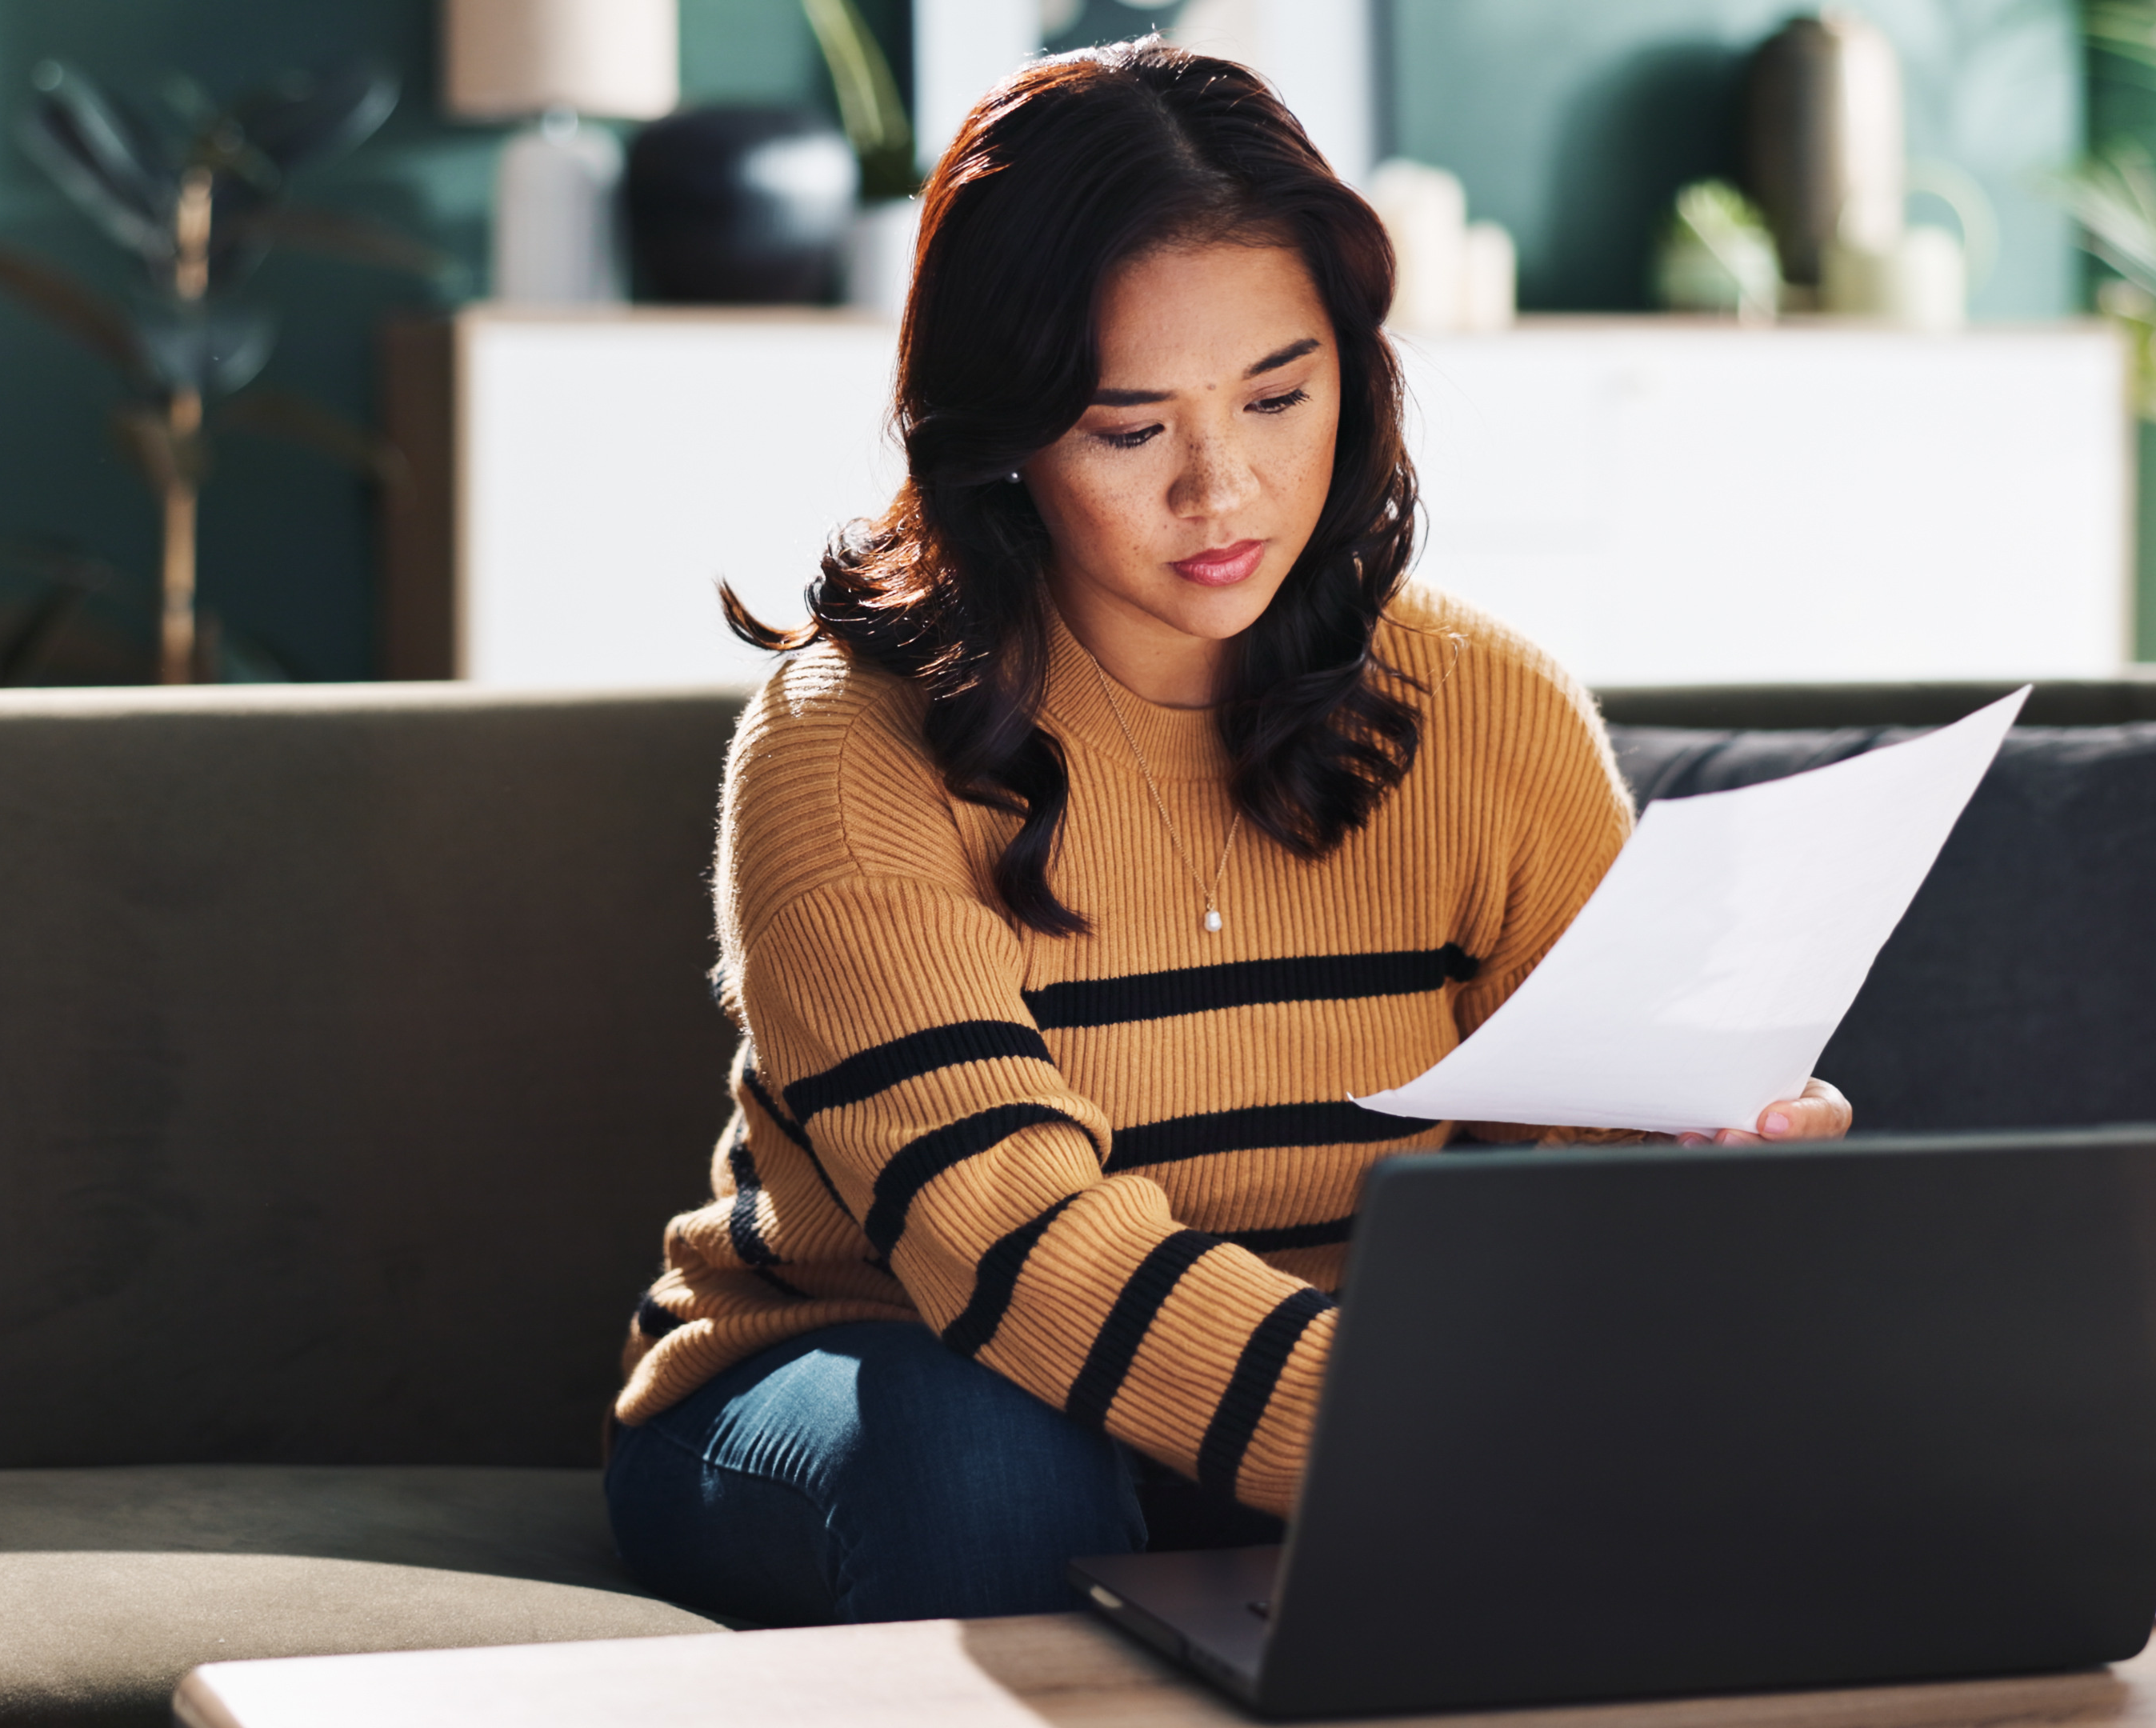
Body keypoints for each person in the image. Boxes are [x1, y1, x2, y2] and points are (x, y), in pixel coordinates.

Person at [602, 40, 1851, 1627]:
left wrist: (1699, 1152)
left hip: (1328, 1412)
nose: (1223, 489)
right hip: (866, 1378)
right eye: (1130, 430)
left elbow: (1567, 1146)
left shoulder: (1487, 708)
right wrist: (1447, 1438)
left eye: (1278, 395)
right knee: (987, 1449)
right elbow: (1014, 1251)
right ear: (1002, 433)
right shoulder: (847, 748)